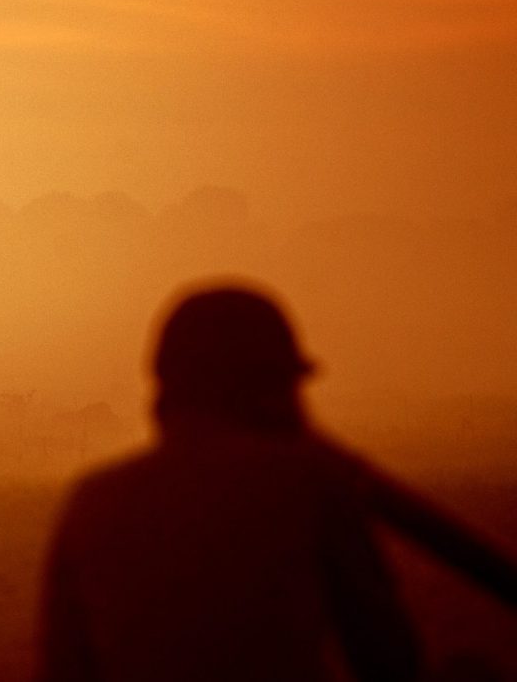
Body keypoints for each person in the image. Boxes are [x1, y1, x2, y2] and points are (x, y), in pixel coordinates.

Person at [35, 283, 420, 682]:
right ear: (272, 391)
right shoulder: (309, 484)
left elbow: (63, 668)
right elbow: (389, 659)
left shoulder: (91, 501)